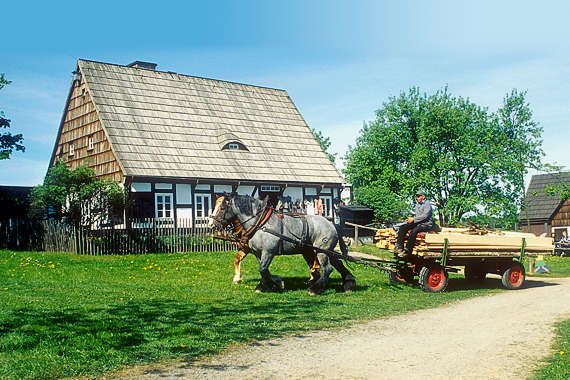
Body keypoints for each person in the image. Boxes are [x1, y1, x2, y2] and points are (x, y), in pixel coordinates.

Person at [393, 190, 436, 258]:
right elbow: (417, 216)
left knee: (414, 231)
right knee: (403, 227)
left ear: (423, 197)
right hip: (418, 222)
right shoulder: (418, 205)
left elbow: (425, 216)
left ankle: (407, 251)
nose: (417, 198)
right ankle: (399, 246)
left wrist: (413, 219)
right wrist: (410, 220)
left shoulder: (427, 204)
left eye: (418, 196)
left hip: (426, 224)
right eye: (416, 196)